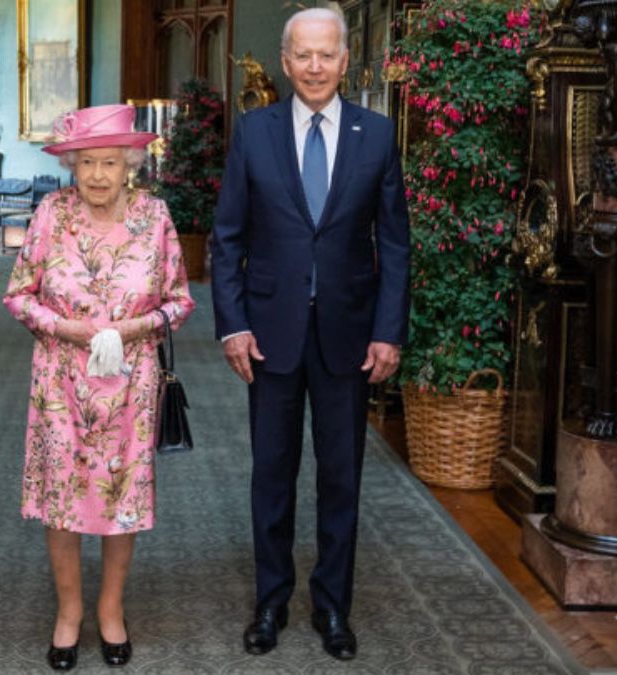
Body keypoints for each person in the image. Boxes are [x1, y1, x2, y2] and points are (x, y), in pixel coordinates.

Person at [210, 8, 409, 661]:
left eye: (328, 55)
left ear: (346, 61)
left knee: (340, 477)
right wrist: (232, 324)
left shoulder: (376, 135)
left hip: (350, 336)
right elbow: (228, 237)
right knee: (271, 473)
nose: (316, 67)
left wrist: (388, 331)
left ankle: (332, 607)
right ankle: (270, 602)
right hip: (268, 335)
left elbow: (396, 246)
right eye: (304, 56)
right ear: (286, 60)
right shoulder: (254, 133)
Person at [3, 104, 195, 671]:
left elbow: (181, 301)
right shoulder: (49, 213)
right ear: (72, 165)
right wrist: (67, 328)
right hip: (61, 381)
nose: (97, 176)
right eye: (86, 163)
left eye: (110, 162)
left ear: (130, 162)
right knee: (63, 501)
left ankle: (110, 608)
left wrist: (131, 329)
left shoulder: (154, 216)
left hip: (131, 385)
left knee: (121, 499)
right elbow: (18, 294)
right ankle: (69, 612)